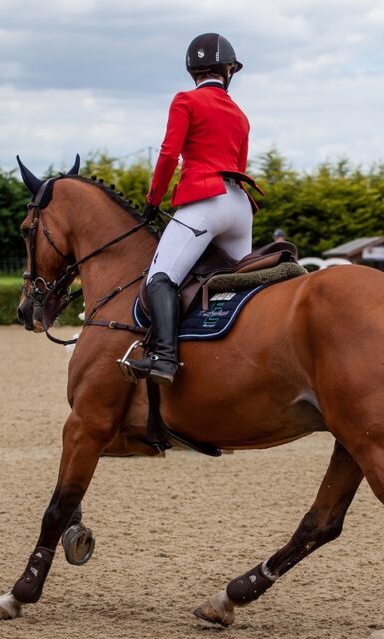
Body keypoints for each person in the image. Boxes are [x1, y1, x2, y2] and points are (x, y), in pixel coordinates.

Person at [124, 33, 262, 385]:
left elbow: (169, 154)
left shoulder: (185, 101)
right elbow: (240, 163)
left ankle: (165, 358)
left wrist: (154, 201)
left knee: (161, 278)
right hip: (240, 206)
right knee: (241, 286)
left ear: (193, 71)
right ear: (228, 71)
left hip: (204, 203)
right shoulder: (240, 115)